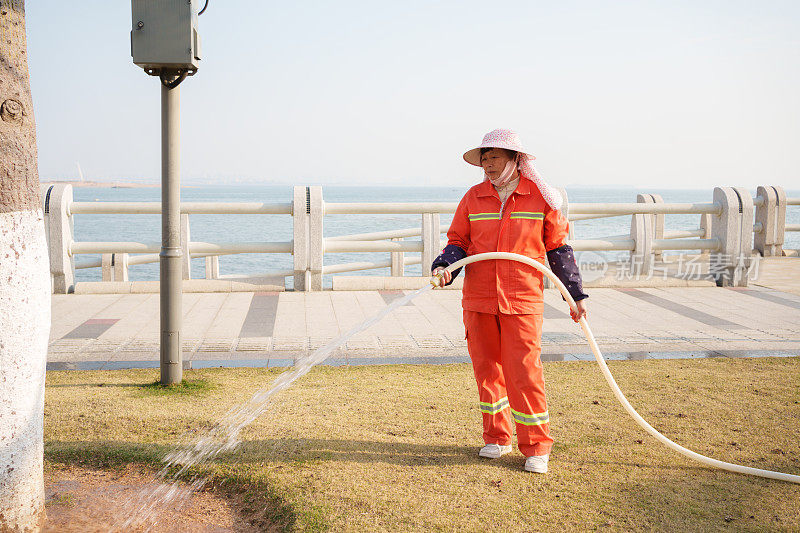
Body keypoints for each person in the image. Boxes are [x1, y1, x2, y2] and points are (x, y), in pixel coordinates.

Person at [431, 128, 588, 474]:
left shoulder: (540, 199)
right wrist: (445, 268)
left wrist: (574, 294)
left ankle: (536, 446)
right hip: (479, 299)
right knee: (487, 370)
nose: (487, 164)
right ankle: (496, 437)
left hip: (522, 299)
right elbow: (458, 242)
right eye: (483, 158)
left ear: (516, 159)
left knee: (524, 372)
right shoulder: (473, 198)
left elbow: (558, 250)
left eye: (494, 157)